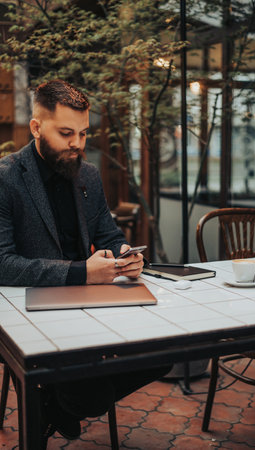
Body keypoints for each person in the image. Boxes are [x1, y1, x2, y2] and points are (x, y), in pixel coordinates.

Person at [0, 80, 170, 445]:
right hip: (33, 313)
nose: (77, 143)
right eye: (65, 133)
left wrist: (127, 257)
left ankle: (52, 407)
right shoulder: (6, 177)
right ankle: (62, 402)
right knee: (91, 396)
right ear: (35, 127)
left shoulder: (87, 174)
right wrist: (80, 272)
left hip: (93, 306)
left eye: (82, 133)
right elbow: (2, 263)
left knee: (166, 350)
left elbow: (109, 236)